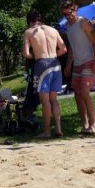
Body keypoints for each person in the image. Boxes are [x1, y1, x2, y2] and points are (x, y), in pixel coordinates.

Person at [22, 10, 67, 138]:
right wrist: (52, 55)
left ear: (29, 21)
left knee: (45, 101)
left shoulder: (29, 32)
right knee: (53, 99)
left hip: (42, 64)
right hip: (55, 63)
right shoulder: (53, 30)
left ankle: (47, 131)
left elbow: (26, 53)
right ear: (40, 19)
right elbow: (63, 49)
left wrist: (36, 56)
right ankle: (58, 129)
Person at [60, 1, 95, 134]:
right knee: (77, 95)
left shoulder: (84, 23)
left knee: (85, 92)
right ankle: (85, 124)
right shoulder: (67, 27)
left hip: (88, 61)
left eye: (69, 13)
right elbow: (72, 47)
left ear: (75, 10)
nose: (68, 16)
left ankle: (93, 125)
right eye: (65, 14)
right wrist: (68, 65)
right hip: (77, 64)